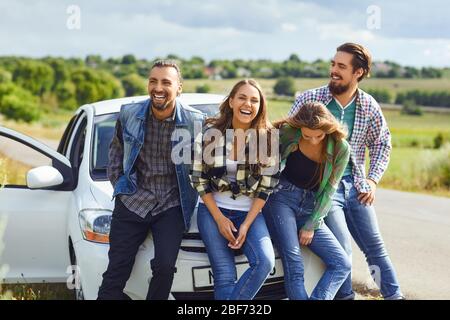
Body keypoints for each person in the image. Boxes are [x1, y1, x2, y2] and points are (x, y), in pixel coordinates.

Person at [288, 43, 404, 300]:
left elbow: (382, 143)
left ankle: (395, 297)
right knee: (343, 252)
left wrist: (373, 180)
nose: (334, 71)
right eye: (333, 64)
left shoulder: (368, 106)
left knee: (376, 249)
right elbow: (286, 140)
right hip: (325, 188)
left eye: (341, 66)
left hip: (358, 187)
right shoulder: (310, 99)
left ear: (358, 72)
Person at [98, 60, 205, 300]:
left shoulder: (195, 121)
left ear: (179, 88)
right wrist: (121, 187)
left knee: (165, 267)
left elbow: (203, 164)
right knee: (116, 271)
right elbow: (116, 151)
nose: (158, 87)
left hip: (171, 204)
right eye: (153, 81)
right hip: (133, 201)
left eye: (166, 82)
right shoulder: (129, 114)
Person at [190, 79, 279, 300]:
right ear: (231, 101)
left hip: (249, 213)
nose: (247, 104)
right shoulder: (210, 133)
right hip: (212, 211)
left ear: (260, 106)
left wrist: (247, 224)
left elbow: (266, 188)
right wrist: (220, 219)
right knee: (224, 275)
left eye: (254, 100)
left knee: (264, 262)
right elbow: (198, 180)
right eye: (242, 97)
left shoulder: (268, 138)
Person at [262, 102, 351, 300]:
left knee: (342, 263)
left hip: (312, 206)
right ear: (299, 128)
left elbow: (330, 189)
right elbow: (262, 139)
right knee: (294, 263)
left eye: (318, 136)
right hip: (282, 199)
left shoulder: (340, 148)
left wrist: (312, 223)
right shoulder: (289, 132)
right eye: (307, 135)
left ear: (328, 129)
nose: (312, 141)